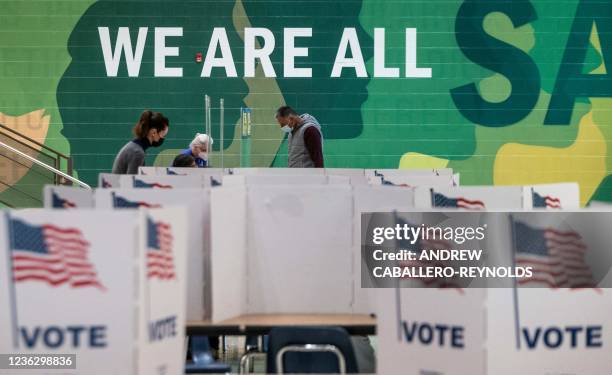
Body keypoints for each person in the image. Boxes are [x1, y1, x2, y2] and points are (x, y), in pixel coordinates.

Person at [111, 110, 169, 174]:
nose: (163, 138)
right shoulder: (137, 152)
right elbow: (132, 182)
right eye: (163, 134)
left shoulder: (134, 147)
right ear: (153, 132)